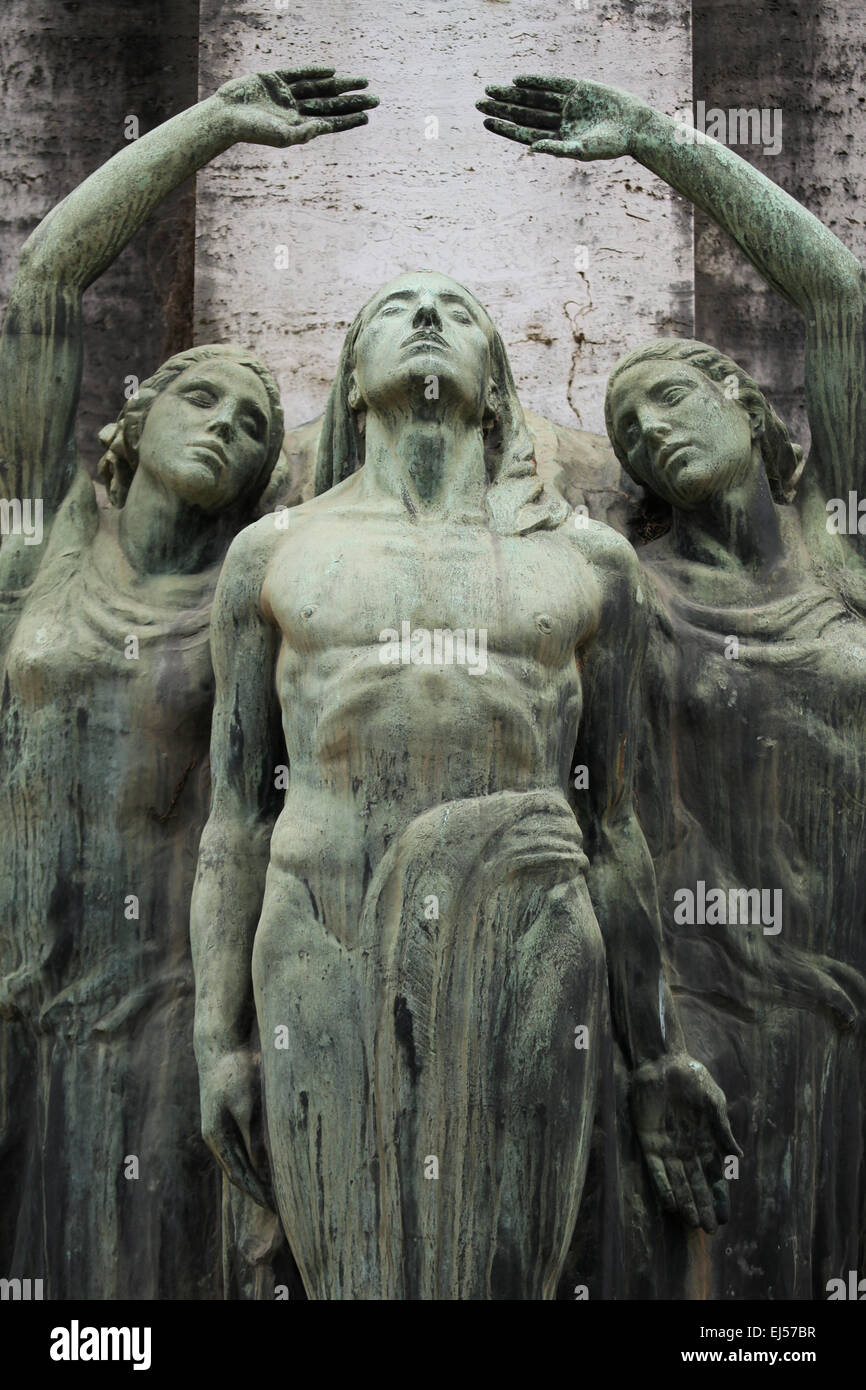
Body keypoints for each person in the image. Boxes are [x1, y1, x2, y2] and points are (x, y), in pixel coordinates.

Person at [191, 267, 738, 1301]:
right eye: (396, 309)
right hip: (321, 930)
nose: (428, 317)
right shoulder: (272, 551)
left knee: (504, 1270)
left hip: (530, 931)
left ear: (494, 388)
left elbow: (612, 823)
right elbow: (232, 818)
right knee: (347, 1271)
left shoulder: (589, 561)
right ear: (353, 380)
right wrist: (215, 1037)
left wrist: (651, 1053)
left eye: (459, 313)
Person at [479, 73, 866, 1297]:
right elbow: (606, 810)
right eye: (627, 428)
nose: (648, 432)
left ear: (750, 405)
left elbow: (836, 298)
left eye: (670, 399)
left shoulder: (837, 545)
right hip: (704, 993)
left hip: (845, 969)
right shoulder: (624, 583)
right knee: (716, 1285)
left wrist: (655, 141)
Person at [0, 64, 377, 1298]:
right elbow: (44, 284)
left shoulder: (258, 596)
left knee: (135, 1283)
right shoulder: (35, 549)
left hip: (167, 995)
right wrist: (212, 125)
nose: (227, 424)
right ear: (132, 420)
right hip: (19, 980)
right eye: (200, 397)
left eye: (256, 421)